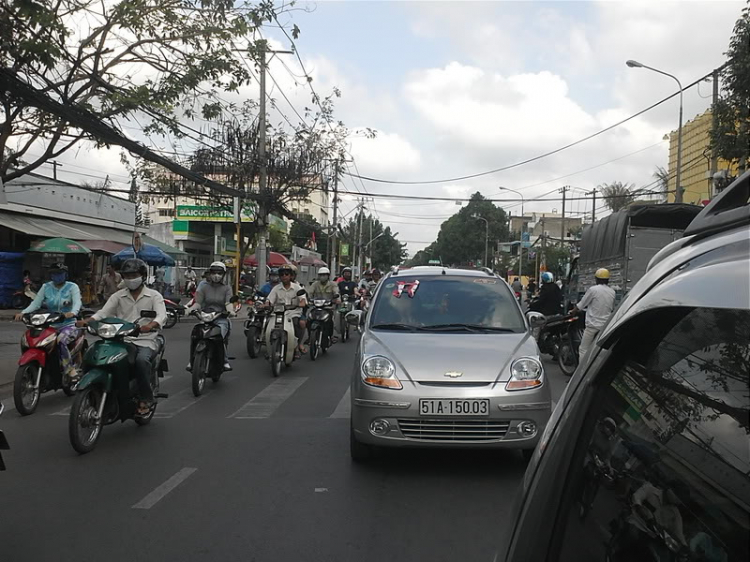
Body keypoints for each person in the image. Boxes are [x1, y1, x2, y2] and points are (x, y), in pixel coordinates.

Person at [80, 259, 166, 415]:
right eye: (127, 275)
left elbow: (161, 316)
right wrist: (88, 321)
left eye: (134, 275)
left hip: (145, 340)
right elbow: (103, 313)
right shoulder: (118, 296)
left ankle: (145, 398)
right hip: (120, 339)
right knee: (94, 353)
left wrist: (150, 325)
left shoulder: (154, 296)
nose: (130, 279)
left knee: (141, 361)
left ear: (142, 276)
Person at [15, 263, 82, 382]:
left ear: (65, 275)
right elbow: (36, 303)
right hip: (50, 324)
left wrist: (73, 312)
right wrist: (23, 313)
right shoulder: (46, 287)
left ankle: (69, 369)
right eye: (54, 274)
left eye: (59, 273)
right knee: (31, 339)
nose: (56, 276)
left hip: (68, 324)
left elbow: (77, 302)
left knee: (61, 340)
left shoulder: (72, 287)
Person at [189, 261, 235, 371]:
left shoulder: (227, 288)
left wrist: (230, 311)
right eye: (214, 272)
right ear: (210, 273)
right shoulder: (203, 286)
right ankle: (191, 361)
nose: (216, 275)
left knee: (220, 336)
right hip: (205, 317)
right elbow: (198, 302)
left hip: (220, 318)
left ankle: (224, 360)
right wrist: (190, 310)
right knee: (195, 335)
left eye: (219, 273)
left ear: (223, 274)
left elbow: (229, 303)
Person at [571, 268, 616, 360]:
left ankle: (582, 371)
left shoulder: (593, 290)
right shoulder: (612, 292)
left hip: (592, 325)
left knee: (583, 349)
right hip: (605, 326)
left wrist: (573, 311)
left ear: (597, 279)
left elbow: (581, 305)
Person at [267, 264, 308, 357]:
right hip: (278, 314)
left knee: (296, 323)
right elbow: (269, 300)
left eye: (286, 274)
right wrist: (264, 305)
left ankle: (296, 345)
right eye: (282, 274)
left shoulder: (297, 287)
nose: (284, 276)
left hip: (294, 313)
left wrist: (300, 303)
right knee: (269, 326)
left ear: (291, 276)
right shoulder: (276, 288)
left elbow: (303, 300)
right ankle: (270, 348)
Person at [309, 267, 341, 342]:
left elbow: (336, 292)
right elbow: (309, 293)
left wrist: (336, 299)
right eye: (321, 275)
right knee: (309, 319)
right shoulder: (315, 284)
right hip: (316, 307)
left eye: (324, 275)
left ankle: (331, 336)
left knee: (330, 321)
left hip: (328, 307)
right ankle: (310, 337)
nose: (322, 277)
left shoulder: (333, 284)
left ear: (328, 276)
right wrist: (308, 298)